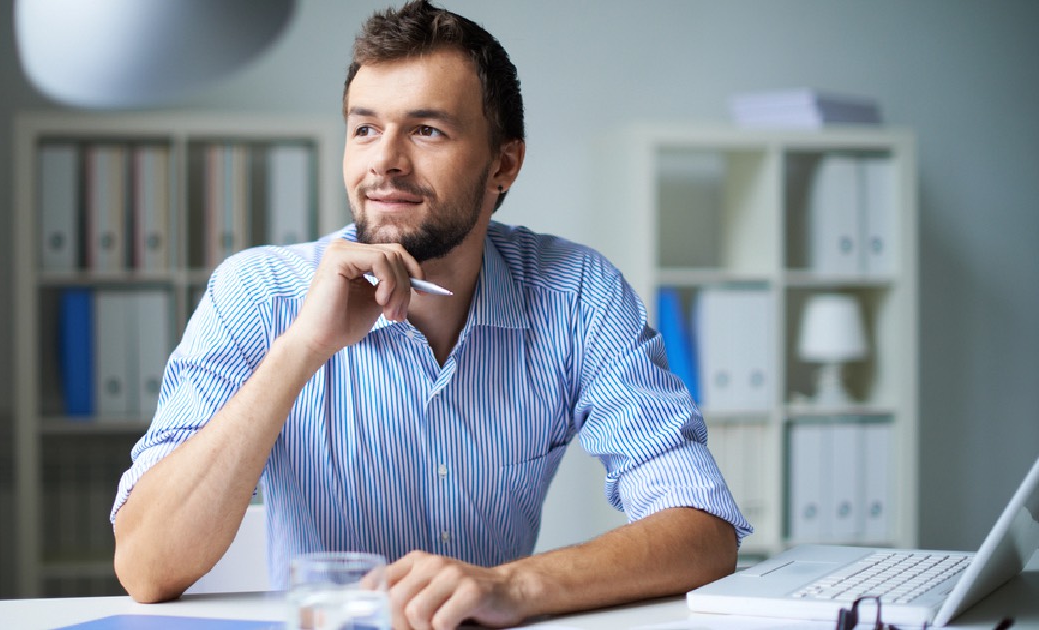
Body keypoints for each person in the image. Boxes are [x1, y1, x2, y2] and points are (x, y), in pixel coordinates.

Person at [111, 1, 751, 627]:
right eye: (364, 128)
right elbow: (146, 566)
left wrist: (511, 585)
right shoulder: (257, 294)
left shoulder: (577, 294)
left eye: (426, 130)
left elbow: (702, 528)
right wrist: (303, 346)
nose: (384, 159)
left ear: (502, 164)